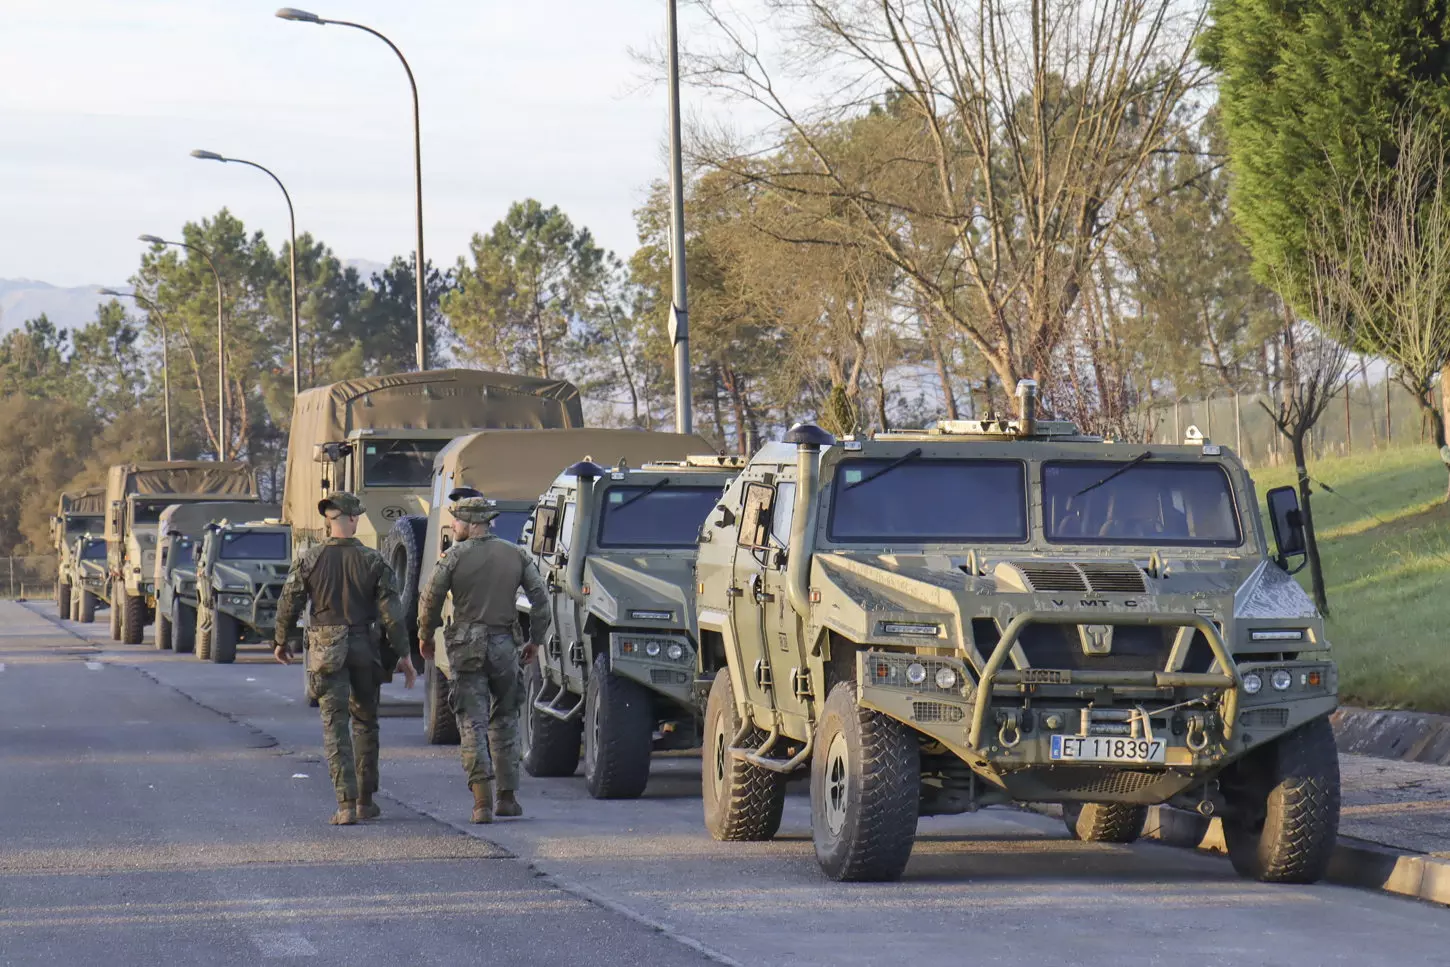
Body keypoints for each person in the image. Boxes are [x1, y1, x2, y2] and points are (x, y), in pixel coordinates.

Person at [273, 492, 415, 825]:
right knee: (365, 724)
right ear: (351, 520)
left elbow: (288, 602)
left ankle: (345, 805)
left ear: (329, 521)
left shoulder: (309, 560)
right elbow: (392, 614)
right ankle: (366, 800)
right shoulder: (374, 560)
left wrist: (281, 641)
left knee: (335, 726)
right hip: (364, 649)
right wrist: (404, 655)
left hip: (325, 652)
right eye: (357, 517)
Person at [418, 491, 550, 824]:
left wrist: (425, 635)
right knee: (505, 720)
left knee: (471, 722)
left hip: (466, 648)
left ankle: (481, 802)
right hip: (505, 646)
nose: (453, 525)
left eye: (457, 521)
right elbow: (540, 599)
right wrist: (535, 639)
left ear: (471, 523)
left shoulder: (453, 557)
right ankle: (508, 797)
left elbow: (430, 597)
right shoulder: (516, 554)